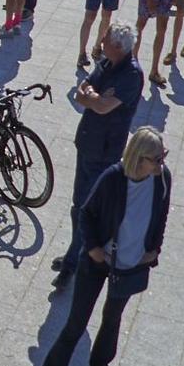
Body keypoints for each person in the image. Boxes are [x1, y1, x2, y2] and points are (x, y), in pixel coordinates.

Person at [33, 128, 170, 366]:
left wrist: (154, 248)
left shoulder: (162, 179)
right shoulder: (112, 179)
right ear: (139, 158)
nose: (161, 163)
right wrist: (94, 248)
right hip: (98, 261)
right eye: (156, 159)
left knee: (113, 318)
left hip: (132, 263)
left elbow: (162, 214)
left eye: (162, 157)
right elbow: (86, 213)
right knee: (75, 324)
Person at [53, 25, 144, 291]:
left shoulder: (131, 75)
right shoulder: (107, 62)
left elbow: (103, 107)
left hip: (104, 152)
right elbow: (83, 91)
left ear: (117, 45)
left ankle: (75, 263)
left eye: (105, 38)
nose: (101, 40)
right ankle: (75, 253)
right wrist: (94, 97)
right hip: (88, 144)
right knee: (77, 206)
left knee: (85, 208)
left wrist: (93, 98)